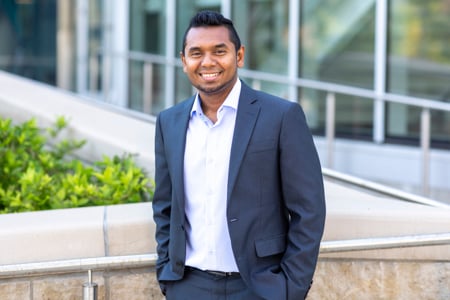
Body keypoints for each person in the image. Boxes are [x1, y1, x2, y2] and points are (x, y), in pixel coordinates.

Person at [152, 10, 326, 300]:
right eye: (196, 53)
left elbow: (309, 210)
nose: (208, 62)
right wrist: (168, 275)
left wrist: (290, 288)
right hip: (188, 286)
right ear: (184, 61)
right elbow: (164, 206)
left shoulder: (281, 116)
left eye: (219, 51)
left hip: (259, 287)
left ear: (239, 56)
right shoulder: (168, 122)